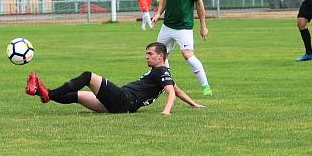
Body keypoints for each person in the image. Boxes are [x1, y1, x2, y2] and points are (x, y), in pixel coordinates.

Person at [25, 42, 203, 114]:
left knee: (88, 76)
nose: (146, 57)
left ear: (161, 57)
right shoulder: (162, 73)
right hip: (121, 104)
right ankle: (39, 92)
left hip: (124, 99)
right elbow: (177, 90)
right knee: (76, 96)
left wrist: (166, 111)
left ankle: (48, 93)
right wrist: (194, 104)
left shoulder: (161, 71)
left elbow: (171, 92)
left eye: (150, 54)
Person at [151, 0, 212, 96]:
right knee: (159, 56)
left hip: (184, 27)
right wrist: (158, 14)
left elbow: (199, 4)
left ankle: (205, 87)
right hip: (167, 26)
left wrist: (203, 26)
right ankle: (167, 83)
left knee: (187, 54)